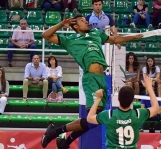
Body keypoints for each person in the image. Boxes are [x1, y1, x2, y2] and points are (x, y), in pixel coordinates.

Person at [41, 15, 143, 149]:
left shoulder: (96, 33)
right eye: (82, 21)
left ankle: (65, 142)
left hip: (102, 78)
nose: (86, 22)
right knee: (93, 117)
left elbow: (114, 39)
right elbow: (45, 35)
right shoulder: (69, 39)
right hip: (91, 78)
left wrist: (132, 37)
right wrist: (61, 24)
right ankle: (54, 132)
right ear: (75, 26)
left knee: (95, 120)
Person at [87, 75, 159, 149]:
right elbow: (156, 108)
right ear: (132, 100)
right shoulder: (138, 114)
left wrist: (98, 99)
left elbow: (89, 118)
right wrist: (149, 88)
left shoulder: (109, 115)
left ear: (118, 98)